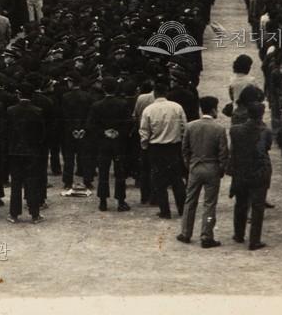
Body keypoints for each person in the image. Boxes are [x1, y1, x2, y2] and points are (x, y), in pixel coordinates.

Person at [176, 95, 227, 248]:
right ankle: (206, 235)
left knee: (190, 201)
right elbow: (223, 153)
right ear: (213, 110)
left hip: (195, 167)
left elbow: (184, 149)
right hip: (212, 169)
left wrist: (189, 165)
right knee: (209, 204)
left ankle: (185, 232)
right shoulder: (219, 129)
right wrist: (221, 169)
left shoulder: (191, 126)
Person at [140, 82, 188, 219]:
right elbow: (184, 127)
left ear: (154, 94)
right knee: (177, 179)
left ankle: (165, 210)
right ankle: (182, 209)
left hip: (156, 148)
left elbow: (144, 131)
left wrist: (145, 147)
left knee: (159, 181)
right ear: (166, 93)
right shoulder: (177, 107)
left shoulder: (148, 110)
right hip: (174, 147)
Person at [229, 101, 273, 250]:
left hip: (241, 170)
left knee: (240, 203)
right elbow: (267, 147)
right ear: (261, 114)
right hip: (260, 171)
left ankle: (239, 234)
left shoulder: (235, 130)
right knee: (258, 206)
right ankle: (255, 240)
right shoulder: (266, 131)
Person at [87, 77, 131, 212]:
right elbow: (128, 123)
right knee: (119, 172)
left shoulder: (96, 105)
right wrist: (118, 132)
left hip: (103, 143)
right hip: (118, 142)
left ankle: (103, 201)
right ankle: (121, 201)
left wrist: (104, 132)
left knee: (103, 172)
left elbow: (91, 125)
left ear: (103, 88)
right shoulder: (123, 104)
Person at [7, 83, 47, 223]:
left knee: (16, 184)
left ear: (19, 94)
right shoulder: (38, 111)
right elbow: (42, 134)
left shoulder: (10, 111)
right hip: (32, 152)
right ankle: (35, 214)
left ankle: (14, 214)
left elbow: (7, 133)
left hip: (15, 152)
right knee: (32, 183)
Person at [60, 72, 94, 192]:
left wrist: (73, 129)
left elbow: (65, 115)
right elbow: (90, 114)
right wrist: (84, 128)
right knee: (86, 157)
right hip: (85, 131)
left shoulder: (65, 97)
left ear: (71, 82)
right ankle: (88, 180)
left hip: (70, 132)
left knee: (69, 158)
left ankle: (68, 181)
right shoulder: (88, 96)